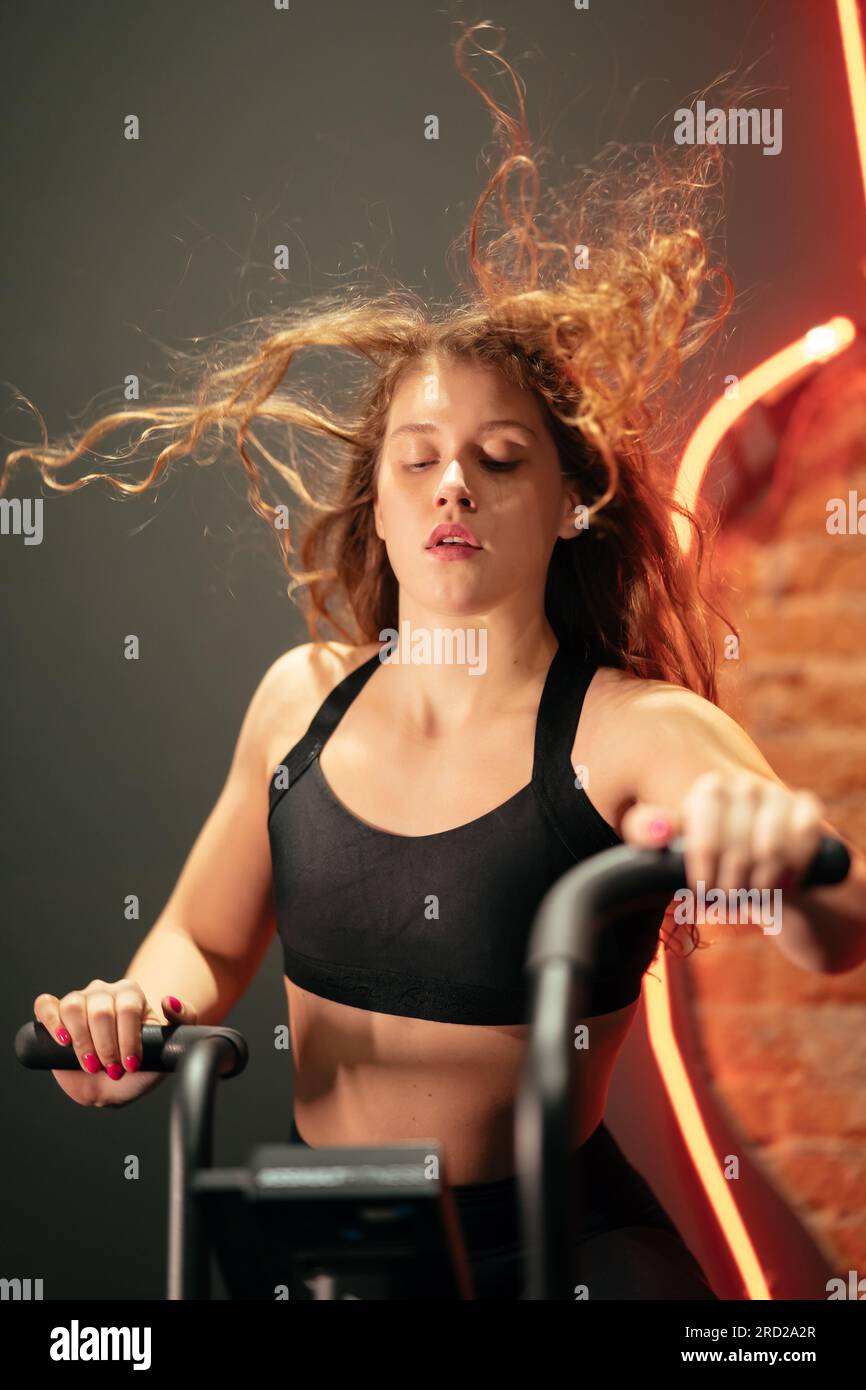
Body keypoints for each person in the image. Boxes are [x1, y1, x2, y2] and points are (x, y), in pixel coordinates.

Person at [9, 22, 866, 1300]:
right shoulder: (298, 700)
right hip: (323, 1248)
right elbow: (196, 938)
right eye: (418, 456)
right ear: (381, 502)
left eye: (500, 459)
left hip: (556, 1256)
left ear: (565, 503)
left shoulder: (629, 730)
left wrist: (779, 849)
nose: (454, 480)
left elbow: (839, 927)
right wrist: (127, 1017)